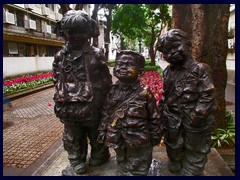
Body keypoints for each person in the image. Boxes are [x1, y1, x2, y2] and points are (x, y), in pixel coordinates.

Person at [52, 10, 112, 175]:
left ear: (88, 31)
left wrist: (105, 99)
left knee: (96, 132)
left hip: (93, 104)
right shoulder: (60, 57)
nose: (77, 36)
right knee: (73, 135)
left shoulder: (96, 54)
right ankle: (76, 158)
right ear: (65, 32)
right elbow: (56, 78)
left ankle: (100, 155)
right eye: (72, 32)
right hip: (69, 105)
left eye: (81, 31)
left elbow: (106, 79)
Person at [156, 29, 216, 176]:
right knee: (173, 144)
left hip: (194, 119)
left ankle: (192, 168)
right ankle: (176, 161)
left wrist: (199, 114)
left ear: (188, 45)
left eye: (176, 46)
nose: (172, 52)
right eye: (167, 51)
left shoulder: (200, 69)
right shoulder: (167, 72)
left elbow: (207, 95)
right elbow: (166, 93)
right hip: (172, 118)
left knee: (195, 147)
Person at [98, 50, 162, 176]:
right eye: (119, 64)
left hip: (138, 137)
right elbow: (106, 112)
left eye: (128, 65)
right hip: (116, 136)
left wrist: (156, 134)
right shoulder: (112, 91)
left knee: (139, 167)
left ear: (141, 72)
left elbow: (154, 115)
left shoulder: (145, 93)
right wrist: (102, 130)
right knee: (122, 162)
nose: (122, 67)